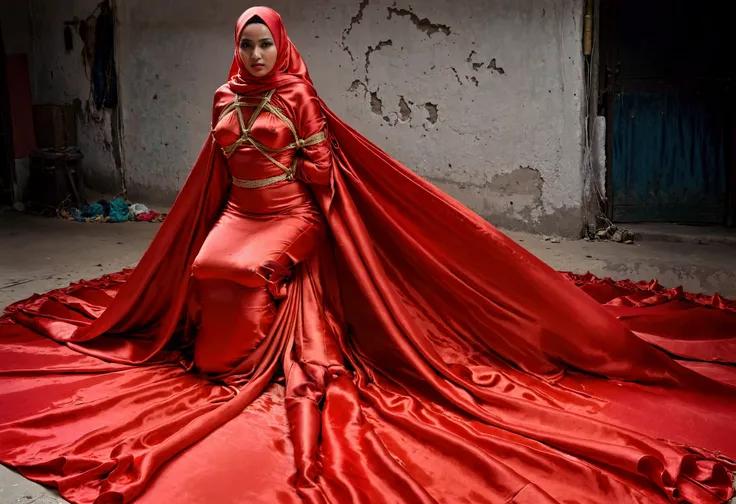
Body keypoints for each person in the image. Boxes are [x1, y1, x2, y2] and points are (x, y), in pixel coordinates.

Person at [1, 6, 735, 504]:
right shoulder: (225, 98)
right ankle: (223, 361)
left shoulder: (299, 98)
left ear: (280, 46)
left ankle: (258, 359)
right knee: (204, 266)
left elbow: (321, 178)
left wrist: (321, 226)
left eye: (265, 43)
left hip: (291, 217)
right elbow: (215, 174)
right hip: (238, 211)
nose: (255, 53)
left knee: (241, 270)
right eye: (246, 42)